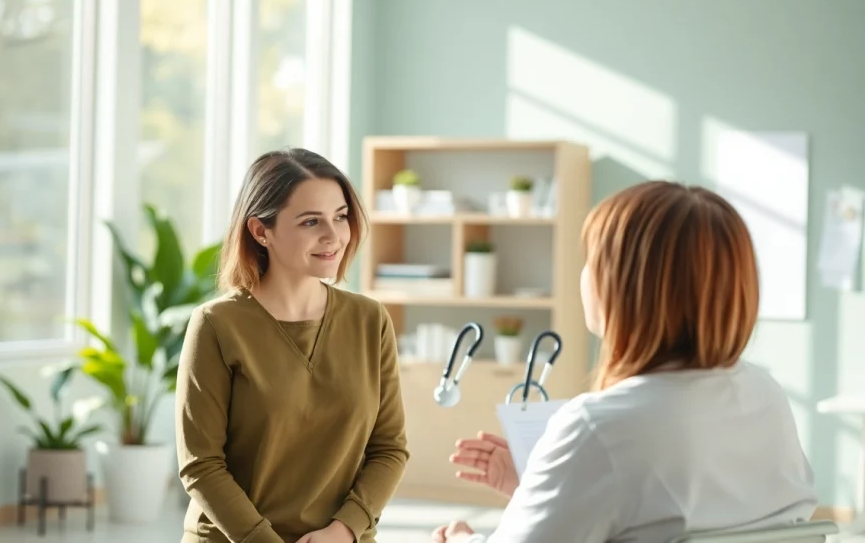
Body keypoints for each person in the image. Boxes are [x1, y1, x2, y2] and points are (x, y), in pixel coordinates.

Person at [433, 181, 818, 543]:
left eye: (591, 260)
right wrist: (539, 488)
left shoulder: (598, 427)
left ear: (624, 287)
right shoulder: (767, 395)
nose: (583, 275)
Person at [175, 147, 410, 543]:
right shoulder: (216, 325)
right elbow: (201, 465)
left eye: (340, 217)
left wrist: (345, 530)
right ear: (260, 231)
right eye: (310, 221)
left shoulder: (370, 320)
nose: (333, 236)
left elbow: (389, 448)